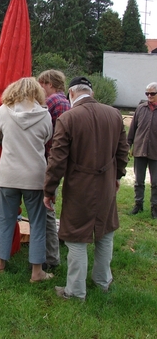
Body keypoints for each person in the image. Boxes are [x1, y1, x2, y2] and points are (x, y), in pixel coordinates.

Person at [44, 76, 129, 300]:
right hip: (106, 186)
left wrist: (49, 190)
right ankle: (102, 281)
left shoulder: (68, 118)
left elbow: (57, 159)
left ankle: (75, 291)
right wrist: (117, 176)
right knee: (105, 233)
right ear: (90, 92)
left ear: (71, 93)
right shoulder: (114, 114)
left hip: (79, 187)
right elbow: (123, 152)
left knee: (75, 238)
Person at [0, 77, 53, 282]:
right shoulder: (45, 115)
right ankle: (36, 272)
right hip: (35, 176)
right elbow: (47, 138)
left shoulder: (4, 110)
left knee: (5, 220)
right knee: (38, 224)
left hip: (8, 176)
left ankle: (0, 265)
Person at [37, 69, 71, 271]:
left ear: (49, 83)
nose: (40, 88)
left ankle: (51, 258)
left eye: (41, 84)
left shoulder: (52, 101)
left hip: (49, 159)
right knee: (51, 205)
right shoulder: (66, 101)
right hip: (60, 160)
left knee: (46, 207)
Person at [127, 82, 157, 219]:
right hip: (139, 150)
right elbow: (132, 129)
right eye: (147, 93)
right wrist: (128, 144)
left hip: (155, 152)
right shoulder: (140, 108)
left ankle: (154, 208)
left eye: (152, 93)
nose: (149, 96)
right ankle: (138, 205)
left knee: (155, 182)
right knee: (139, 181)